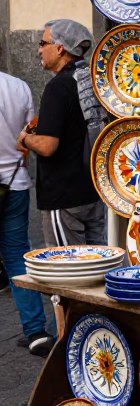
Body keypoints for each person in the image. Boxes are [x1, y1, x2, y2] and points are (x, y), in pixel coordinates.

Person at [17, 19, 106, 247]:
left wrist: (26, 139)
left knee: (67, 265)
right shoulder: (90, 81)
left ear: (60, 48)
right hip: (92, 194)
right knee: (95, 263)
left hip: (64, 199)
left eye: (43, 43)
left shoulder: (58, 87)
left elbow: (48, 146)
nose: (39, 50)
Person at [0, 68, 54, 355]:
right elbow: (27, 135)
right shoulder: (18, 86)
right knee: (16, 254)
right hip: (14, 183)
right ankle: (36, 332)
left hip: (14, 181)